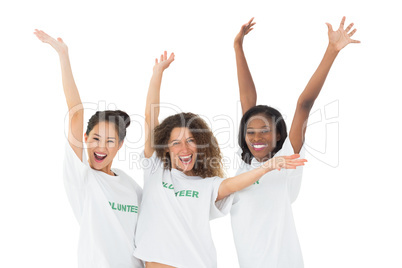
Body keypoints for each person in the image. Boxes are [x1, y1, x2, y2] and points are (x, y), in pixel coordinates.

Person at [133, 51, 307, 268]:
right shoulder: (155, 169)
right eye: (176, 142)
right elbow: (151, 118)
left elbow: (233, 184)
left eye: (190, 141)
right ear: (165, 148)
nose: (184, 148)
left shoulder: (208, 185)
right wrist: (157, 74)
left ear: (201, 145)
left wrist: (268, 167)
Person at [230, 17, 360, 267]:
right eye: (251, 132)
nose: (257, 138)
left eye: (265, 131)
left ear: (278, 135)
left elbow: (304, 104)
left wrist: (331, 51)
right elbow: (248, 101)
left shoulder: (288, 157)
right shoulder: (245, 164)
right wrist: (238, 47)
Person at [34, 30, 143, 268]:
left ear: (120, 145)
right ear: (85, 138)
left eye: (110, 141)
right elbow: (76, 111)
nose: (101, 147)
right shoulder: (81, 177)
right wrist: (63, 55)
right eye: (95, 138)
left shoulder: (130, 185)